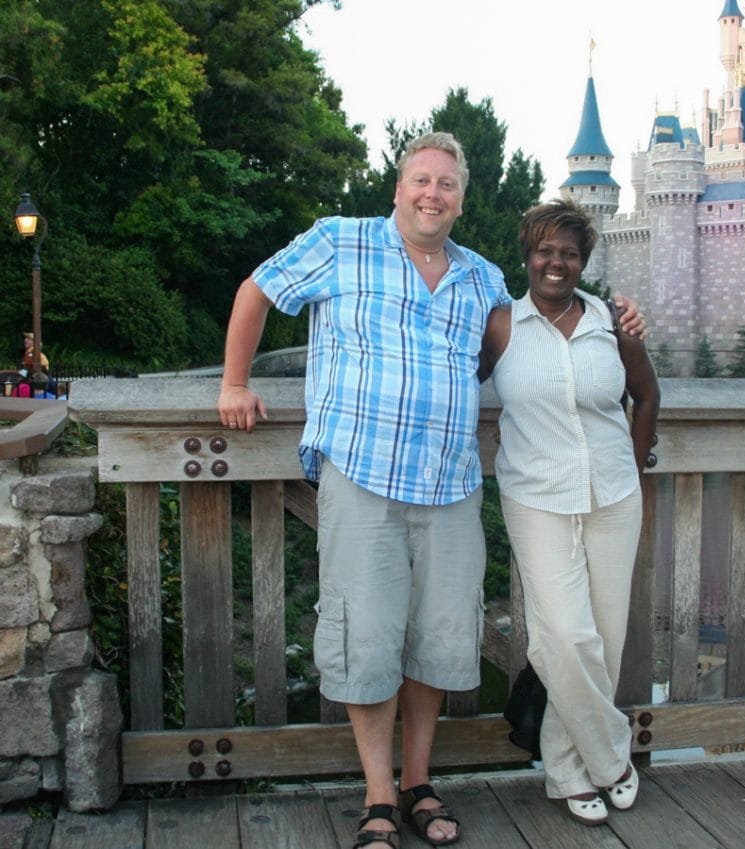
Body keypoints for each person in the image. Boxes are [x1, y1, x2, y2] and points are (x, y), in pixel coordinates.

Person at [217, 133, 646, 849]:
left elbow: (537, 332)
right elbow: (256, 290)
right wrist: (234, 383)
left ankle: (418, 782)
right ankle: (378, 796)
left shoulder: (480, 278)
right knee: (366, 638)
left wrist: (618, 319)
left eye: (447, 185)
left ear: (461, 200)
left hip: (450, 484)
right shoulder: (341, 241)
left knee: (438, 642)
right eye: (421, 180)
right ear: (399, 188)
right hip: (362, 474)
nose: (432, 194)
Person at [479, 199, 661, 825]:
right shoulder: (501, 325)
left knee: (604, 641)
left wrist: (631, 468)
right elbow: (453, 382)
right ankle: (612, 759)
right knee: (564, 637)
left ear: (583, 262)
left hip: (614, 497)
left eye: (570, 253)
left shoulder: (613, 323)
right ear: (527, 256)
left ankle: (567, 772)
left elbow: (647, 396)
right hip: (536, 498)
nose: (556, 263)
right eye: (545, 251)